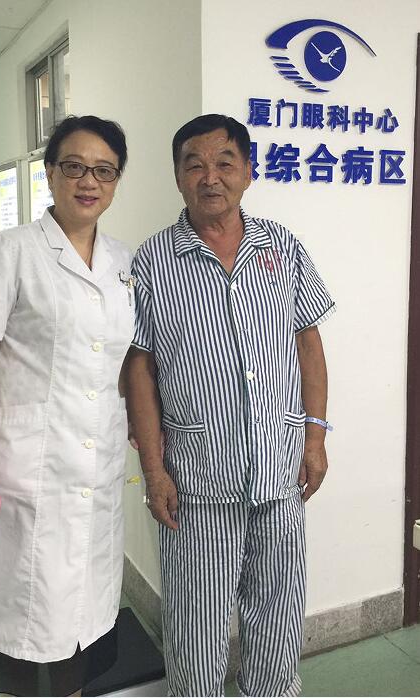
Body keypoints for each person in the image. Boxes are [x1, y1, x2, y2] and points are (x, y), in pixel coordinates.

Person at [127, 114, 335, 697]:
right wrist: (152, 470)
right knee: (196, 630)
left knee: (279, 616)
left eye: (224, 163)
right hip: (196, 481)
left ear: (248, 171)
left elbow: (309, 344)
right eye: (194, 164)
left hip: (280, 471)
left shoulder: (282, 247)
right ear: (177, 176)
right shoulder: (151, 261)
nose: (209, 176)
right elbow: (138, 369)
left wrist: (315, 437)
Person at [0, 115, 134, 697]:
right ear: (49, 174)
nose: (88, 181)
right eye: (73, 166)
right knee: (24, 618)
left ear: (116, 181)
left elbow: (125, 360)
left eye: (104, 170)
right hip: (25, 469)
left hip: (95, 467)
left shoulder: (124, 262)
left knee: (81, 622)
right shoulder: (13, 251)